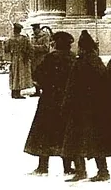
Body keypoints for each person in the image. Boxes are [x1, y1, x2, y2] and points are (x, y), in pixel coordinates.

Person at [61, 30, 111, 182]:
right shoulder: (98, 62)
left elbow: (71, 87)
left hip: (79, 109)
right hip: (96, 110)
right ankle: (103, 171)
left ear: (82, 48)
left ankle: (80, 171)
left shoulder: (80, 63)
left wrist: (66, 105)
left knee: (74, 140)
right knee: (96, 141)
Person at [24, 31, 76, 176]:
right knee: (64, 133)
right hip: (67, 101)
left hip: (50, 101)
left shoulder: (51, 58)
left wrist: (45, 86)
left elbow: (37, 75)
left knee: (44, 133)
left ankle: (42, 167)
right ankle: (68, 167)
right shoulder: (72, 58)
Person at [4, 23, 32, 99]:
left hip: (13, 58)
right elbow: (29, 49)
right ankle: (18, 92)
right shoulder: (24, 38)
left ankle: (13, 92)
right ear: (20, 30)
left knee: (13, 74)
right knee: (19, 75)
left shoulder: (10, 39)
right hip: (21, 58)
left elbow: (6, 49)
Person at [30, 23, 51, 97]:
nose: (34, 31)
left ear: (38, 28)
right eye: (33, 29)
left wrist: (34, 47)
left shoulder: (45, 36)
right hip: (34, 59)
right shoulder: (32, 36)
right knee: (35, 75)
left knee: (43, 75)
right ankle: (37, 90)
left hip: (42, 58)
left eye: (35, 29)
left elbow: (46, 47)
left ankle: (45, 90)